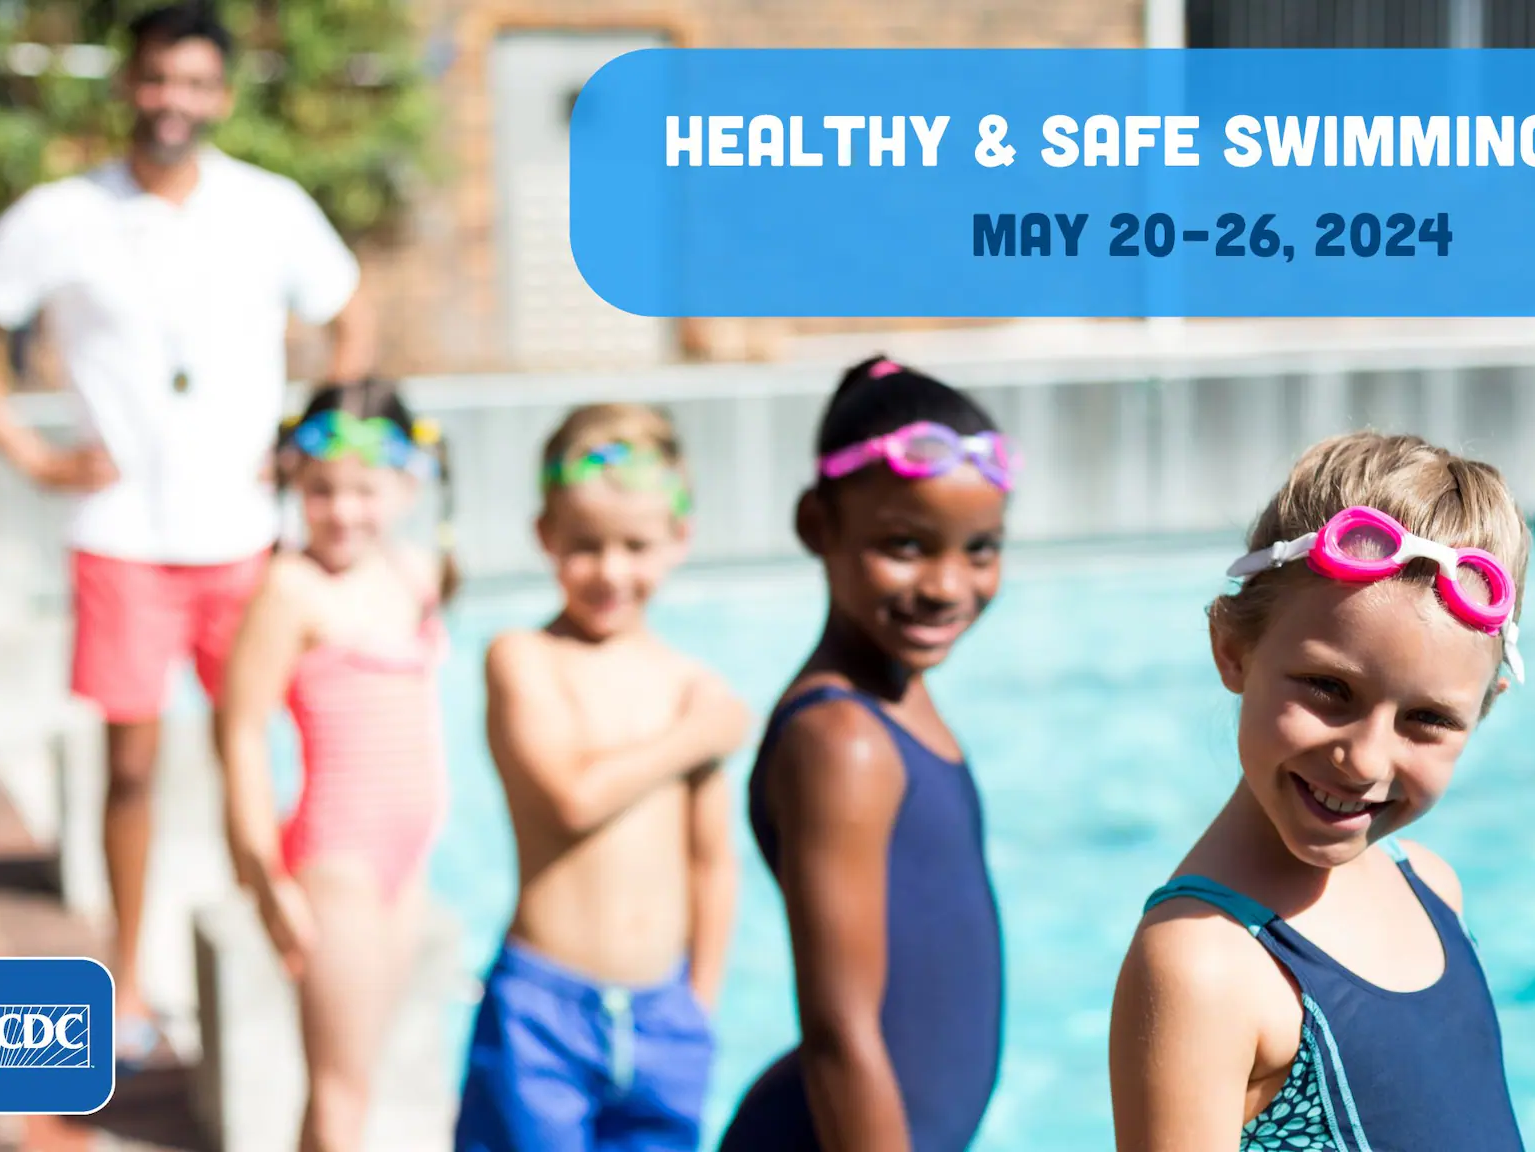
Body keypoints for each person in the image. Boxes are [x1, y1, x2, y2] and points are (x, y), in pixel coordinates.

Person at [0, 1, 373, 1067]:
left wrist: (311, 438)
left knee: (252, 759)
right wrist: (33, 458)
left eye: (195, 83)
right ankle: (126, 980)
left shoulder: (269, 208)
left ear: (221, 96)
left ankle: (269, 962)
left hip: (243, 537)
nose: (174, 101)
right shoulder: (60, 215)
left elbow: (354, 315)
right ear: (128, 85)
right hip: (122, 536)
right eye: (156, 80)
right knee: (131, 770)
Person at [1107, 431, 1531, 1152]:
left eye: (1427, 719)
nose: (1365, 761)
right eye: (1329, 689)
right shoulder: (1204, 964)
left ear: (1483, 708)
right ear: (1232, 648)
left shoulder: (1431, 891)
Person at [719, 357, 1013, 1152]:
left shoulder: (897, 691)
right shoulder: (840, 739)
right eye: (906, 545)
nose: (947, 585)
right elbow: (840, 1030)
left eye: (980, 548)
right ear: (819, 526)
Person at [455, 404, 749, 1152]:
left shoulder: (690, 684)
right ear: (544, 537)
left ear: (679, 540)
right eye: (585, 546)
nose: (611, 571)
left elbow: (712, 864)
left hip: (665, 1019)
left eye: (636, 545)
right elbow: (572, 797)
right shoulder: (522, 658)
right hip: (540, 1012)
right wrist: (694, 738)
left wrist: (698, 1005)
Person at [218, 378, 455, 1152]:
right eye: (322, 491)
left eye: (365, 489)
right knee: (339, 1092)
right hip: (338, 862)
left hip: (407, 861)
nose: (344, 510)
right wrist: (265, 876)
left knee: (367, 1074)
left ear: (407, 485)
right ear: (293, 483)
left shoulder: (414, 573)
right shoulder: (290, 588)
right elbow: (241, 731)